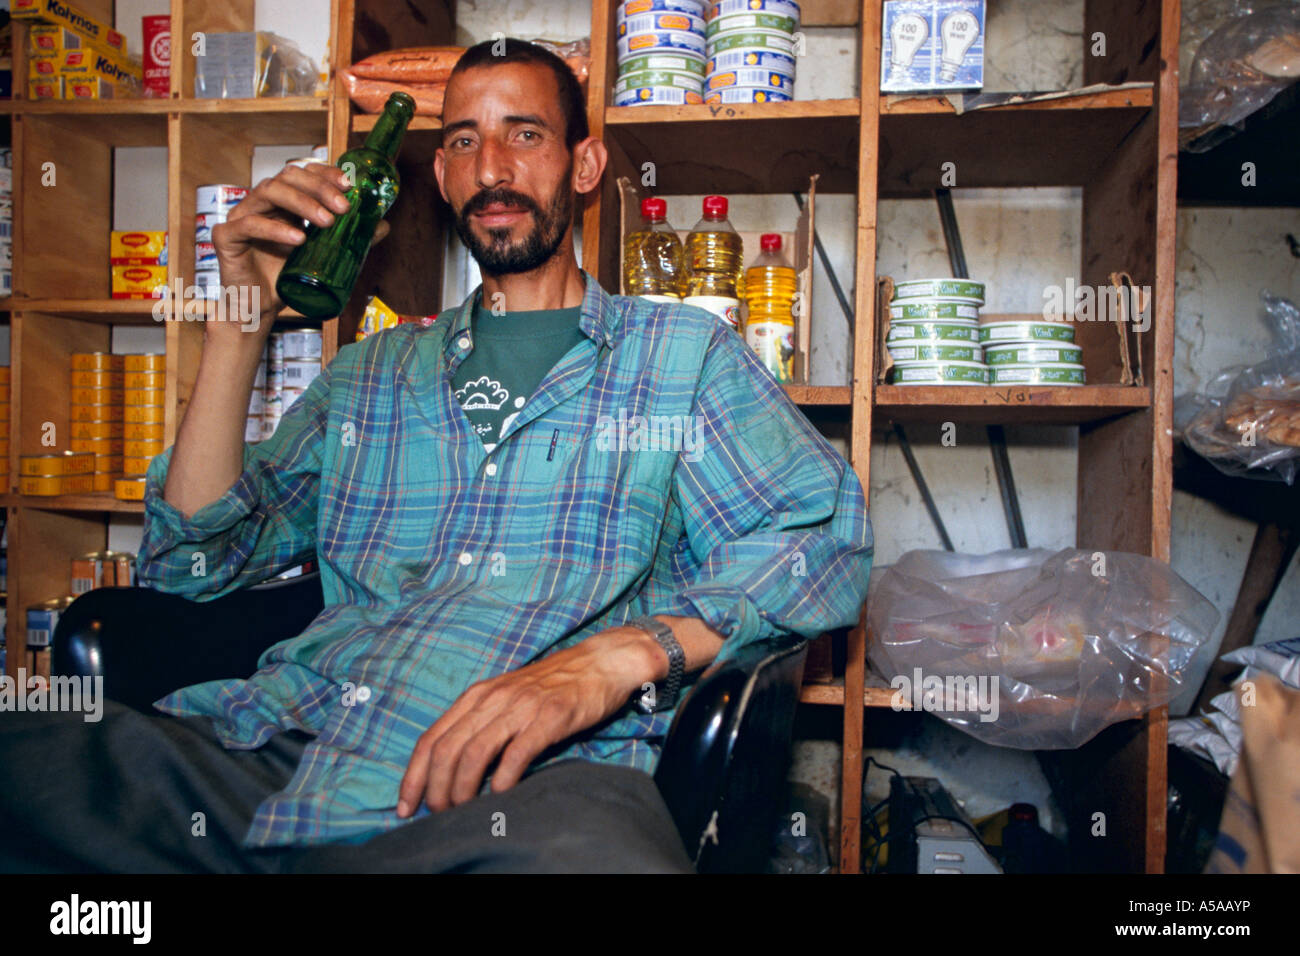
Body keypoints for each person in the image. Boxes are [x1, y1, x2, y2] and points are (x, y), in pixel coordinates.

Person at [0, 39, 873, 873]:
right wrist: (240, 324)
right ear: (443, 174)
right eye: (464, 141)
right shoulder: (371, 375)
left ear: (585, 165)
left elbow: (823, 540)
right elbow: (191, 567)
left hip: (533, 790)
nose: (492, 168)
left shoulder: (681, 360)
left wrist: (617, 659)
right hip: (269, 756)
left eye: (524, 134)